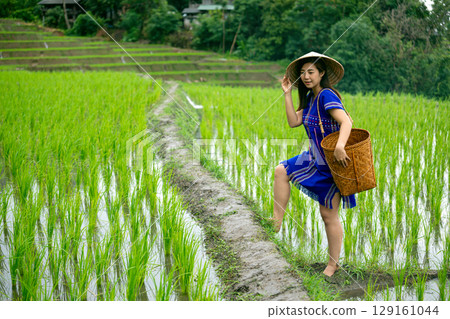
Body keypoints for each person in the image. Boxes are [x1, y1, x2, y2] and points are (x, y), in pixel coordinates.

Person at [269, 51, 356, 279]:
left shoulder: (327, 95)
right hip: (314, 157)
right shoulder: (310, 99)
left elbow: (346, 121)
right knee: (281, 170)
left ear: (321, 73)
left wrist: (340, 146)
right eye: (303, 73)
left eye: (311, 72)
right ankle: (276, 222)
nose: (306, 76)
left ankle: (333, 264)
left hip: (332, 164)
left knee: (328, 216)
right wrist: (287, 94)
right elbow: (293, 122)